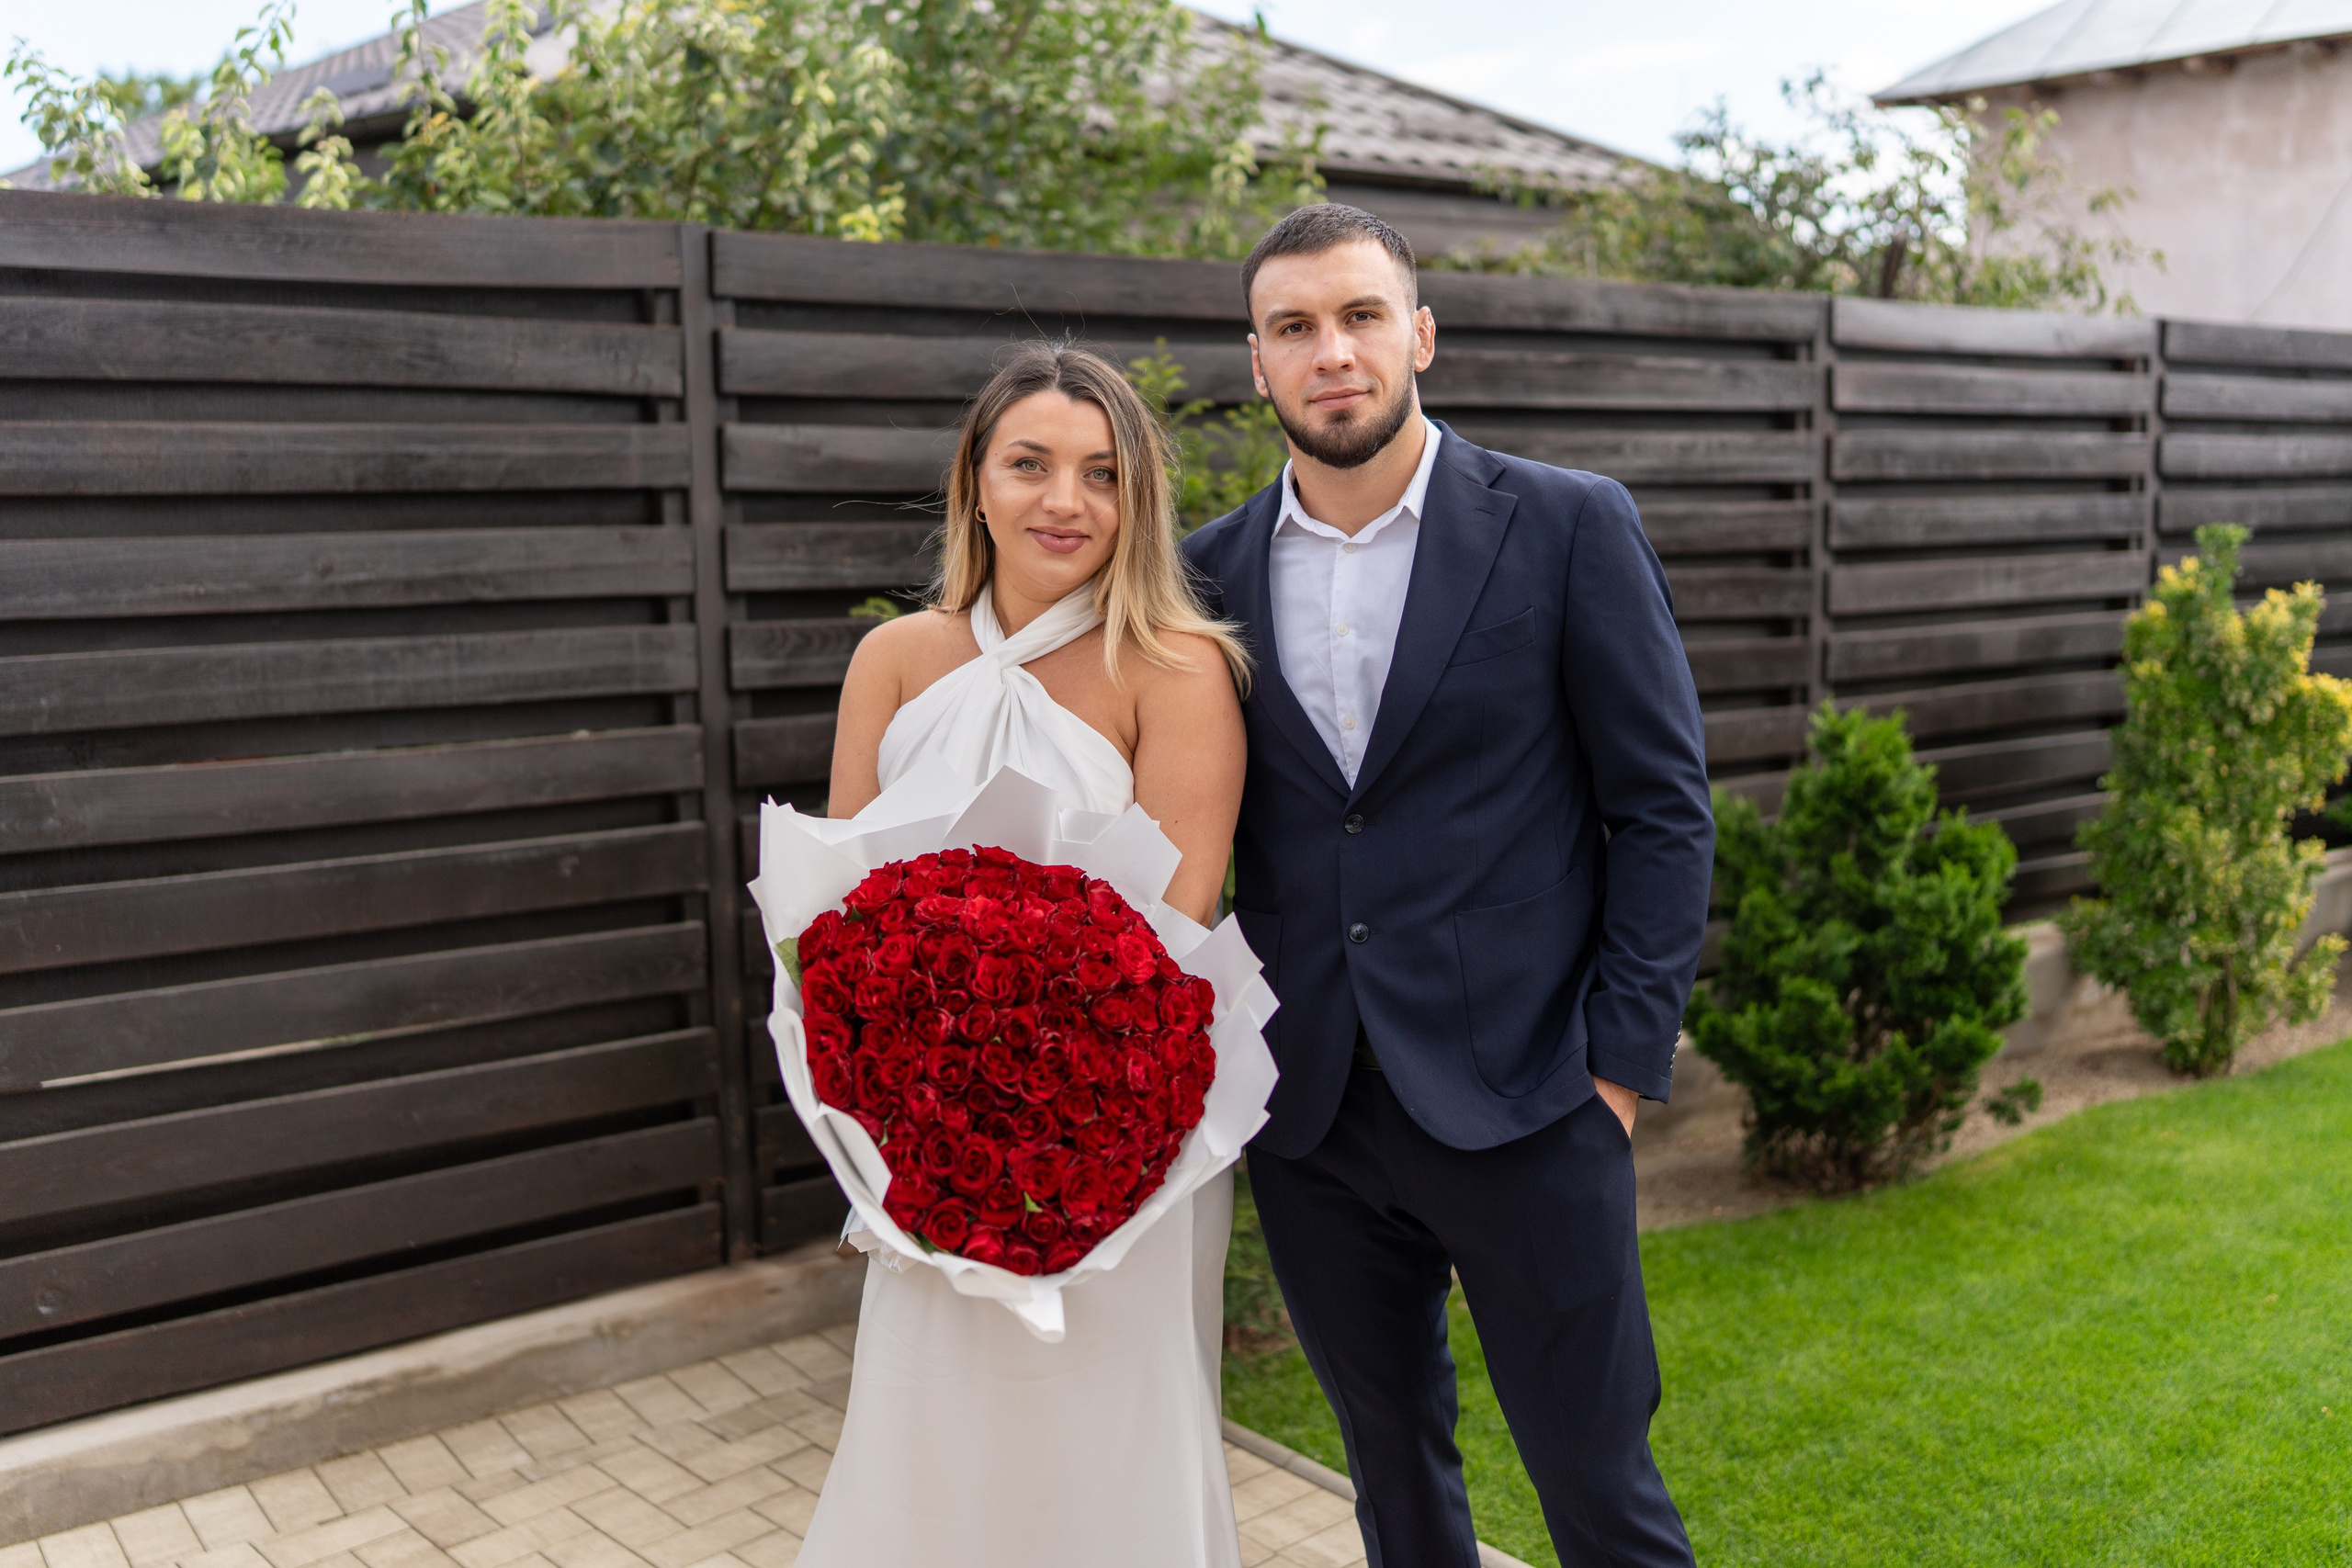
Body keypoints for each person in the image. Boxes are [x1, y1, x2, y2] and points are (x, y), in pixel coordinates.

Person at [1181, 204, 1714, 1568]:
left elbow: (1660, 809)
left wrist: (1618, 1065)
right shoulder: (1205, 577)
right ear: (1258, 364)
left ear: (1420, 333)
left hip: (1534, 1095)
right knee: (1395, 1490)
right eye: (1295, 327)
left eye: (1361, 316)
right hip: (1314, 1117)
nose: (1333, 351)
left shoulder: (1567, 526)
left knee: (1602, 1493)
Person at [797, 342, 1252, 1568]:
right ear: (977, 483)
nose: (1066, 499)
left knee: (1107, 1447)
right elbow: (829, 918)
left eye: (1102, 474)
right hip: (919, 1140)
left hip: (1122, 1147)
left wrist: (1062, 1120)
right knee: (929, 1430)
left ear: (1137, 499)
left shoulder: (1177, 668)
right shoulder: (894, 659)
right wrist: (887, 1099)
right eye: (1031, 464)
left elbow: (1174, 934)